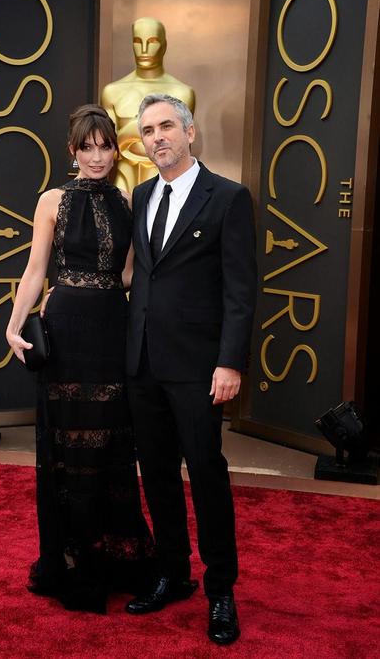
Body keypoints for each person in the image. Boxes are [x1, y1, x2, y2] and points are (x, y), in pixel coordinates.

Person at [6, 104, 154, 614]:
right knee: (67, 445)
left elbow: (130, 275)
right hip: (66, 330)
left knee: (111, 443)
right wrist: (13, 321)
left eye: (105, 146)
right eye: (86, 147)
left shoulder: (127, 201)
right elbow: (34, 270)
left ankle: (115, 559)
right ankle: (72, 562)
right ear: (71, 151)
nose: (96, 156)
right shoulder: (51, 201)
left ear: (116, 150)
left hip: (112, 329)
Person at [124, 94, 257, 645]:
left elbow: (241, 291)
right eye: (148, 130)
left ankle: (220, 589)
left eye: (167, 127)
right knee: (155, 473)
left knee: (205, 474)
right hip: (143, 362)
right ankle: (172, 574)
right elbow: (141, 275)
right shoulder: (140, 195)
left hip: (200, 367)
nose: (157, 138)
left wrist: (230, 361)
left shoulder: (227, 198)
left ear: (190, 132)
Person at [101, 17, 195, 194]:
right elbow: (109, 150)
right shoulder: (112, 92)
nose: (143, 50)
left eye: (152, 42)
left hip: (167, 182)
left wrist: (127, 133)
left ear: (164, 46)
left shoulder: (182, 93)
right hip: (123, 179)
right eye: (137, 42)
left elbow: (180, 148)